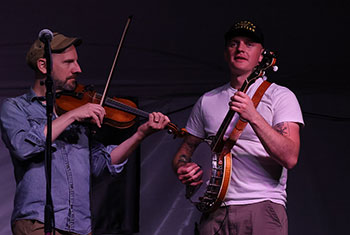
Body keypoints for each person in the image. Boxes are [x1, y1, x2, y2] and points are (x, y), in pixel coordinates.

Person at [0, 32, 170, 235]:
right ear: (43, 66)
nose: (78, 69)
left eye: (77, 62)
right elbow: (23, 147)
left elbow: (99, 165)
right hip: (37, 223)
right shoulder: (16, 107)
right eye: (68, 62)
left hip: (80, 226)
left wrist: (140, 135)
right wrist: (72, 116)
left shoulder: (75, 109)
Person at [172, 20, 304, 234]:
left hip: (262, 206)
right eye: (234, 43)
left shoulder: (280, 96)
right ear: (226, 53)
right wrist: (183, 167)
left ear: (262, 56)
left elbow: (290, 157)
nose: (241, 48)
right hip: (214, 212)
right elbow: (184, 152)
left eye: (249, 44)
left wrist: (254, 116)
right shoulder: (207, 100)